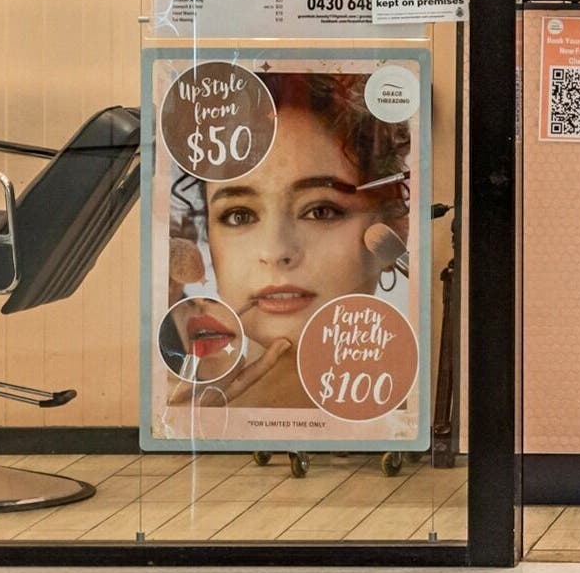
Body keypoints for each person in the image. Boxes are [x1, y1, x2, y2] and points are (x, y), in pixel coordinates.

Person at [168, 70, 410, 413]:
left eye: (321, 211)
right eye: (239, 215)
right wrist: (179, 423)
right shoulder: (177, 407)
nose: (276, 251)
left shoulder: (420, 413)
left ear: (394, 227)